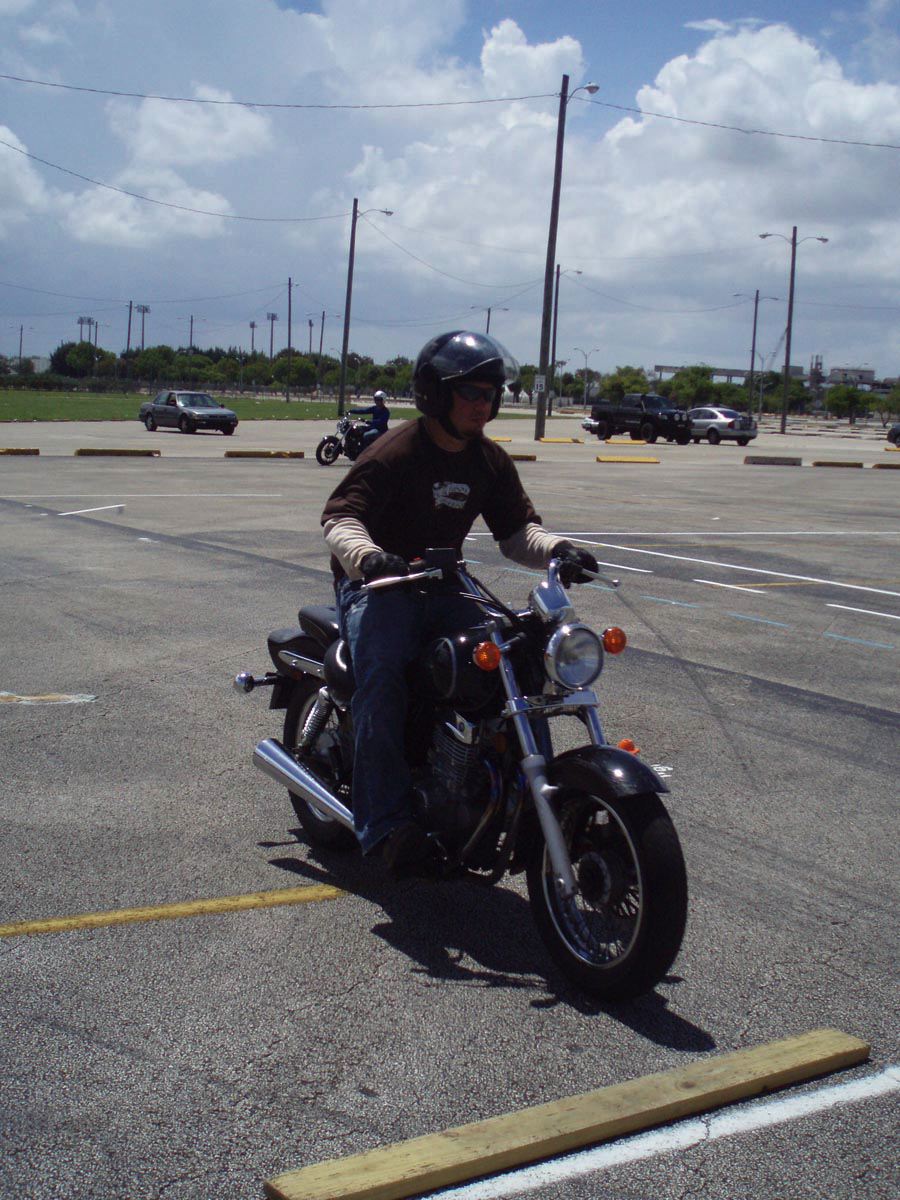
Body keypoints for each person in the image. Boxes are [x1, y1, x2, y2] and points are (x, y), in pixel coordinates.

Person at [321, 331, 598, 875]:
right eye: (470, 392)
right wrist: (369, 557)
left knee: (517, 659)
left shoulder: (488, 461)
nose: (482, 405)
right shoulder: (395, 452)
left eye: (490, 395)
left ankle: (519, 797)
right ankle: (385, 823)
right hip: (377, 586)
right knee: (384, 678)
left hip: (444, 585)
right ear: (435, 394)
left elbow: (517, 532)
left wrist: (558, 549)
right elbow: (341, 517)